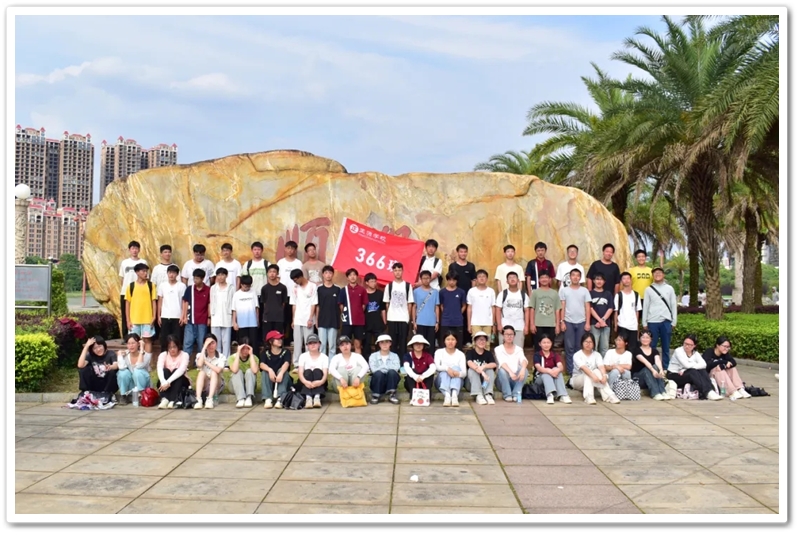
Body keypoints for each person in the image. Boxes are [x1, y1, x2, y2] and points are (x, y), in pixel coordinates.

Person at [667, 334, 723, 401]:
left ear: (694, 346)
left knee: (702, 371)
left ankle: (711, 390)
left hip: (684, 373)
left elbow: (704, 364)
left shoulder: (695, 354)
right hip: (674, 374)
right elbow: (686, 365)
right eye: (685, 343)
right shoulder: (678, 351)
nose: (687, 346)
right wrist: (689, 367)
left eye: (690, 345)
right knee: (693, 372)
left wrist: (684, 370)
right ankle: (707, 392)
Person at [642, 267, 678, 370]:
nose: (657, 274)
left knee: (666, 347)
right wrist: (644, 322)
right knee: (651, 346)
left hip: (666, 321)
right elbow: (646, 306)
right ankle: (651, 367)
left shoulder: (669, 288)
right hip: (652, 321)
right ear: (653, 276)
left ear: (663, 275)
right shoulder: (648, 289)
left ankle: (666, 368)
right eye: (655, 273)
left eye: (659, 273)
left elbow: (673, 305)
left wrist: (674, 321)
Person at [570, 333, 620, 405]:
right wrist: (593, 376)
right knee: (587, 374)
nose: (588, 344)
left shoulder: (597, 355)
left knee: (597, 371)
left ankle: (610, 395)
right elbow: (584, 368)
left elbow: (601, 366)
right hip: (577, 380)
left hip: (593, 380)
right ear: (582, 343)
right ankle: (588, 396)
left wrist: (604, 376)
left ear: (593, 344)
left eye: (590, 342)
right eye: (586, 341)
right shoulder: (577, 355)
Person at [559, 268, 592, 375]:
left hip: (582, 322)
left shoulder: (585, 291)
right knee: (569, 348)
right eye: (573, 275)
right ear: (570, 277)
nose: (575, 277)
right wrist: (562, 321)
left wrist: (587, 322)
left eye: (578, 275)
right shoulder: (564, 290)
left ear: (580, 278)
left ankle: (579, 371)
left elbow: (587, 307)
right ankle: (570, 372)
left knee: (580, 347)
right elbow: (562, 306)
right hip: (568, 321)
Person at [703, 336, 751, 400]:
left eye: (728, 347)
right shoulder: (709, 352)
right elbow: (708, 365)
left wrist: (723, 365)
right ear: (717, 345)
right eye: (724, 346)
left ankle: (740, 388)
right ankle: (732, 391)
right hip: (709, 375)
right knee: (718, 369)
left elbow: (733, 362)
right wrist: (723, 362)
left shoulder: (725, 354)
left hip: (720, 375)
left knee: (732, 368)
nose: (726, 349)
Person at [124, 263, 158, 353]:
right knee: (133, 341)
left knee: (147, 340)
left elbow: (154, 301)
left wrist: (154, 316)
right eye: (143, 271)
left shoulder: (151, 285)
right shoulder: (131, 286)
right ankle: (135, 360)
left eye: (146, 271)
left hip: (147, 319)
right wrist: (128, 320)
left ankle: (147, 360)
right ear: (137, 272)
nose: (146, 273)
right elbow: (127, 304)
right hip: (134, 320)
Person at [383, 262, 415, 356]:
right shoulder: (389, 286)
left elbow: (410, 303)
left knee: (403, 342)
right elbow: (387, 303)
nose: (397, 272)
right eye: (395, 270)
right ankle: (393, 362)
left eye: (399, 270)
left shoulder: (407, 286)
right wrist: (389, 315)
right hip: (392, 318)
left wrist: (408, 317)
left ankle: (403, 362)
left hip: (403, 318)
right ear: (393, 272)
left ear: (402, 271)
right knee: (392, 342)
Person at [447, 243, 477, 343]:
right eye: (461, 252)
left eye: (465, 252)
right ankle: (455, 340)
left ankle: (467, 340)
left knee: (467, 317)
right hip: (455, 295)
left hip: (468, 295)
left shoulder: (471, 266)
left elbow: (473, 280)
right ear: (457, 253)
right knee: (457, 316)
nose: (463, 253)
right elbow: (450, 279)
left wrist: (472, 293)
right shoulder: (453, 266)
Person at [118, 240, 147, 338]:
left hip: (139, 292)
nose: (134, 250)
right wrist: (125, 289)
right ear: (129, 250)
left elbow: (146, 277)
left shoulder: (143, 262)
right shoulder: (124, 263)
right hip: (125, 292)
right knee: (125, 314)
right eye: (132, 248)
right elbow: (122, 278)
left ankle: (139, 336)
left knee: (138, 313)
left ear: (139, 250)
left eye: (136, 248)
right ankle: (126, 336)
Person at [181, 268, 211, 361]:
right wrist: (184, 316)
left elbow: (209, 304)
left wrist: (209, 318)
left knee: (201, 343)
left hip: (202, 320)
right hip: (190, 320)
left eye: (197, 278)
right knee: (187, 342)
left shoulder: (208, 290)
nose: (195, 280)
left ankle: (199, 362)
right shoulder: (190, 289)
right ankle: (185, 363)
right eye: (194, 278)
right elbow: (185, 302)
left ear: (202, 279)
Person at [532, 333, 571, 404]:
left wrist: (557, 370)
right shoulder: (537, 355)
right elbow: (539, 368)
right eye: (544, 343)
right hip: (539, 379)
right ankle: (550, 395)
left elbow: (561, 366)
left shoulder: (554, 355)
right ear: (540, 344)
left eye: (548, 342)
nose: (546, 345)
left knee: (558, 371)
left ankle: (563, 395)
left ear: (551, 343)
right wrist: (549, 371)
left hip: (553, 377)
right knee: (546, 374)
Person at [493, 272, 529, 348]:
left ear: (518, 280)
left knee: (518, 350)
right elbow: (498, 310)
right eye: (510, 278)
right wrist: (499, 325)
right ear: (507, 281)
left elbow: (527, 311)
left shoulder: (523, 295)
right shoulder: (502, 294)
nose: (512, 279)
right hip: (505, 326)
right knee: (503, 349)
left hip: (519, 327)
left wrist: (526, 326)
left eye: (514, 277)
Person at [289, 268, 318, 365]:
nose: (295, 282)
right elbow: (294, 304)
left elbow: (314, 303)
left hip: (308, 319)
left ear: (301, 277)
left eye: (296, 280)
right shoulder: (294, 287)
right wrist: (293, 319)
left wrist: (311, 318)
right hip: (298, 319)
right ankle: (296, 363)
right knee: (297, 342)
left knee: (308, 342)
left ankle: (308, 362)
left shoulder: (312, 286)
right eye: (293, 281)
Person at [528, 271, 561, 352]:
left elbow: (557, 309)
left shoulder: (554, 293)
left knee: (550, 347)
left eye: (546, 277)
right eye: (542, 278)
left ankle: (549, 361)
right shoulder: (535, 293)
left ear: (550, 279)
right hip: (538, 324)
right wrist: (532, 324)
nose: (544, 279)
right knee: (538, 347)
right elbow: (532, 308)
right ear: (539, 280)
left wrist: (557, 325)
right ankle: (538, 361)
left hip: (551, 324)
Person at [329, 336, 370, 400]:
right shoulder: (336, 357)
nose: (345, 347)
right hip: (341, 385)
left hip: (355, 384)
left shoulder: (357, 356)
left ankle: (354, 389)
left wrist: (358, 377)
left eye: (347, 344)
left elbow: (366, 366)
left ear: (351, 345)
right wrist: (341, 378)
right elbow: (331, 369)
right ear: (339, 347)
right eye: (342, 345)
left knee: (358, 369)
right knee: (341, 370)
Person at [277, 240, 304, 342]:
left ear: (295, 250)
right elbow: (277, 278)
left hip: (295, 294)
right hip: (282, 294)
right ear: (285, 249)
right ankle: (282, 339)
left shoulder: (298, 263)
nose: (290, 250)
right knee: (282, 317)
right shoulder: (281, 262)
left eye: (292, 248)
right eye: (288, 248)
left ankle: (293, 339)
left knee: (294, 317)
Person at [259, 330, 292, 409]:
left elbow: (286, 363)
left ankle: (281, 398)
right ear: (270, 341)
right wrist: (269, 370)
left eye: (280, 339)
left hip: (284, 381)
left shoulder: (286, 351)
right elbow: (261, 364)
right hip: (271, 381)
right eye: (277, 339)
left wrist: (281, 373)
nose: (280, 340)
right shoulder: (265, 352)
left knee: (283, 371)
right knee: (265, 372)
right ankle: (268, 398)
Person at [494, 325, 528, 402]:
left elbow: (523, 360)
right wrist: (510, 373)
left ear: (514, 335)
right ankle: (507, 395)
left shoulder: (518, 349)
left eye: (511, 334)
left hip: (515, 380)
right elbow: (502, 362)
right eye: (507, 334)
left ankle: (516, 394)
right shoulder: (498, 349)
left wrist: (523, 369)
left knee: (524, 370)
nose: (509, 336)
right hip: (502, 381)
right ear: (503, 335)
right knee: (502, 371)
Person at [116, 333, 152, 406]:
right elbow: (121, 367)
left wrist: (142, 349)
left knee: (137, 371)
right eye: (128, 343)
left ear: (138, 344)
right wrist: (119, 355)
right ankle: (123, 395)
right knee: (122, 372)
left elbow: (139, 366)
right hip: (132, 384)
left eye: (133, 343)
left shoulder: (146, 355)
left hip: (143, 383)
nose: (131, 346)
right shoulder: (125, 354)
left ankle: (142, 395)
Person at [156, 335, 191, 409]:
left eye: (174, 347)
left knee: (176, 371)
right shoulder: (163, 355)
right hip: (166, 383)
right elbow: (159, 368)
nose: (172, 349)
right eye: (170, 347)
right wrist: (163, 381)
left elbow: (181, 370)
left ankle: (173, 400)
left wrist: (168, 382)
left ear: (178, 346)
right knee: (165, 371)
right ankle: (165, 399)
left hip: (181, 381)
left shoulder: (184, 355)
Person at [338, 268, 367, 355]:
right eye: (350, 275)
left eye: (354, 275)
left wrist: (357, 313)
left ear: (357, 276)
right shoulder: (343, 290)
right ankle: (346, 361)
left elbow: (364, 305)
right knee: (345, 345)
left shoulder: (362, 290)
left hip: (359, 322)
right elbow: (341, 305)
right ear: (347, 278)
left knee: (358, 345)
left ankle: (358, 362)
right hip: (347, 322)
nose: (352, 277)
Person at [631, 330, 668, 400]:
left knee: (655, 367)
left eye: (647, 337)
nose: (645, 339)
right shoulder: (636, 350)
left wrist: (661, 370)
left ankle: (662, 392)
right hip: (639, 378)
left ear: (651, 339)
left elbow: (657, 361)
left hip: (651, 377)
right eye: (643, 337)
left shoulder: (654, 351)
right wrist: (653, 371)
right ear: (639, 339)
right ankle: (655, 393)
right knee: (646, 369)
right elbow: (646, 362)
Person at [434, 331, 467, 407]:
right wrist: (447, 369)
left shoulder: (460, 354)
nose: (450, 342)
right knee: (444, 372)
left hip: (457, 381)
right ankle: (447, 396)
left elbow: (464, 373)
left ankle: (454, 395)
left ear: (456, 341)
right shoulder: (439, 352)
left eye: (453, 339)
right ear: (444, 341)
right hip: (441, 381)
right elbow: (436, 366)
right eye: (448, 339)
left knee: (456, 368)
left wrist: (457, 373)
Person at [194, 334, 226, 409]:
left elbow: (218, 370)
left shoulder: (221, 356)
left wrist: (206, 362)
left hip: (217, 384)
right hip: (205, 384)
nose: (211, 346)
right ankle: (198, 399)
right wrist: (204, 347)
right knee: (201, 372)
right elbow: (199, 365)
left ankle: (210, 399)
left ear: (216, 344)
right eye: (208, 344)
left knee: (214, 372)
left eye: (213, 343)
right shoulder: (200, 355)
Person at [297, 334, 329, 409]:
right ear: (307, 345)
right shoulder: (303, 356)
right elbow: (300, 372)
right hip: (306, 381)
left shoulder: (324, 357)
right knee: (308, 371)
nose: (313, 345)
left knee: (317, 371)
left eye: (315, 342)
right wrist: (305, 382)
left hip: (320, 381)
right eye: (310, 343)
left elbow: (325, 374)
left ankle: (317, 397)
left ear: (319, 344)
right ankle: (308, 398)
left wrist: (321, 382)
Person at [158, 264, 185, 350]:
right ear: (167, 273)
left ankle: (178, 357)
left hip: (177, 317)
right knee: (164, 340)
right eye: (169, 272)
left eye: (173, 273)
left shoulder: (182, 286)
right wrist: (159, 315)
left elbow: (184, 302)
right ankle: (163, 356)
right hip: (165, 316)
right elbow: (160, 300)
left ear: (177, 274)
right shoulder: (162, 285)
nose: (171, 275)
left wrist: (183, 316)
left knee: (177, 340)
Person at [465, 331, 497, 405]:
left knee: (490, 370)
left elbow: (494, 364)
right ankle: (478, 395)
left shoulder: (488, 353)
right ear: (475, 341)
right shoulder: (470, 352)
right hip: (471, 384)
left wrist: (484, 366)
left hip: (484, 383)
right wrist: (482, 372)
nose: (482, 342)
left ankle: (488, 394)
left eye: (483, 340)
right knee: (472, 370)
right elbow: (469, 363)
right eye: (479, 340)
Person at [368, 334, 401, 404]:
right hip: (378, 381)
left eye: (387, 342)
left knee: (392, 372)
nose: (384, 344)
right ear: (379, 344)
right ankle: (376, 395)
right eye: (382, 342)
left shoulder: (395, 356)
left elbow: (396, 368)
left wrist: (382, 368)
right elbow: (374, 369)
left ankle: (392, 395)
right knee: (378, 374)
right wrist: (386, 370)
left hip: (391, 381)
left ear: (390, 343)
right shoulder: (373, 356)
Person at [467, 269, 496, 348]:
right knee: (476, 344)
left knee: (487, 344)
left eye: (484, 276)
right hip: (475, 322)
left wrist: (494, 324)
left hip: (488, 323)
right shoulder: (471, 291)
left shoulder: (491, 291)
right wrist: (469, 324)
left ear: (487, 279)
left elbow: (493, 308)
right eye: (479, 276)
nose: (482, 278)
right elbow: (469, 308)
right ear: (476, 279)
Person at [402, 334, 437, 399]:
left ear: (424, 345)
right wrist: (416, 377)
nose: (418, 346)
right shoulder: (407, 355)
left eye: (420, 344)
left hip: (424, 380)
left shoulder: (428, 356)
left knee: (429, 372)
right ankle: (413, 397)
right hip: (412, 382)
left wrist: (423, 376)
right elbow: (407, 367)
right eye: (416, 344)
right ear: (412, 345)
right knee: (412, 371)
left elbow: (433, 368)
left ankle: (427, 396)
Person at [209, 267, 235, 357]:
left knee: (226, 341)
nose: (220, 277)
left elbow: (233, 303)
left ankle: (226, 361)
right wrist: (210, 316)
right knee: (216, 340)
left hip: (227, 316)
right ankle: (217, 358)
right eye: (218, 275)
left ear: (226, 276)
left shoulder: (231, 287)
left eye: (222, 275)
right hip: (215, 316)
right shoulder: (213, 288)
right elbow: (211, 302)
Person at [316, 265, 341, 358]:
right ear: (323, 275)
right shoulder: (319, 289)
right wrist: (316, 320)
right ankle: (323, 363)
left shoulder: (337, 289)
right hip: (322, 320)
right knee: (322, 345)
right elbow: (317, 306)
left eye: (330, 273)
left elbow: (340, 306)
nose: (328, 275)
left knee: (332, 345)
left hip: (334, 320)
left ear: (333, 274)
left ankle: (332, 364)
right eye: (326, 273)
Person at [260, 264, 288, 346]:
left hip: (279, 317)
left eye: (274, 272)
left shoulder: (283, 287)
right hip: (267, 316)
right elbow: (264, 303)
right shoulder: (264, 288)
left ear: (277, 273)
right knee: (267, 338)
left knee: (278, 337)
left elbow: (283, 303)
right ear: (267, 273)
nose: (272, 274)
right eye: (270, 272)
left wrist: (279, 311)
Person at [614, 272, 642, 354]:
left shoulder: (636, 295)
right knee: (621, 347)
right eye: (624, 278)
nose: (626, 280)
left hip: (633, 326)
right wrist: (615, 325)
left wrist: (637, 325)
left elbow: (637, 311)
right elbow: (616, 311)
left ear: (631, 280)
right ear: (621, 281)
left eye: (628, 278)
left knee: (632, 349)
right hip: (622, 325)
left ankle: (631, 362)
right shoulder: (619, 295)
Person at [411, 270, 440, 350]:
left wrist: (437, 322)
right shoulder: (416, 291)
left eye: (428, 278)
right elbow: (414, 306)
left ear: (430, 279)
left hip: (431, 322)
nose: (426, 280)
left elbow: (436, 307)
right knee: (420, 344)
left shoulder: (435, 292)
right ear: (421, 279)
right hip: (420, 321)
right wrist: (414, 321)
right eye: (424, 278)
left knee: (431, 345)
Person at [438, 272, 467, 348]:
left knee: (458, 343)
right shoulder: (442, 292)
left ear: (457, 281)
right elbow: (441, 305)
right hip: (446, 321)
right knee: (444, 343)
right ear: (447, 280)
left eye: (454, 280)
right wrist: (446, 313)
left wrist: (459, 313)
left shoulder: (461, 292)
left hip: (458, 321)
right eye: (450, 280)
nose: (451, 282)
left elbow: (464, 305)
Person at [228, 339, 259, 408]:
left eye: (247, 348)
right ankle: (240, 399)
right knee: (238, 372)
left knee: (249, 371)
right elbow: (234, 370)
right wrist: (238, 353)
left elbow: (255, 371)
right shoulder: (232, 358)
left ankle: (249, 397)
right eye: (243, 348)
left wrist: (251, 354)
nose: (245, 351)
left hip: (250, 386)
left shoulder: (254, 358)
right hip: (235, 386)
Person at [589, 273, 614, 356]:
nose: (599, 281)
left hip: (606, 324)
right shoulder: (590, 293)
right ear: (593, 281)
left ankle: (604, 363)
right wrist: (599, 321)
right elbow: (590, 308)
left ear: (604, 281)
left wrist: (603, 320)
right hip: (594, 324)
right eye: (597, 279)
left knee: (604, 348)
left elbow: (610, 308)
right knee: (593, 346)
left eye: (601, 279)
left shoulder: (608, 294)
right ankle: (594, 363)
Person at [232, 275, 260, 347]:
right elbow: (234, 310)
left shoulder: (253, 292)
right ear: (241, 284)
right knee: (243, 343)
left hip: (252, 323)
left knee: (254, 343)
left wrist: (257, 320)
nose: (247, 288)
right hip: (241, 323)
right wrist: (234, 322)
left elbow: (256, 307)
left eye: (249, 286)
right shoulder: (236, 294)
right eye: (245, 286)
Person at [364, 273, 386, 352]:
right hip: (366, 323)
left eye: (375, 281)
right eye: (371, 281)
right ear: (367, 282)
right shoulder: (363, 293)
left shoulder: (380, 293)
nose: (374, 283)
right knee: (366, 345)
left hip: (378, 323)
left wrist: (384, 322)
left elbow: (383, 309)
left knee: (379, 344)